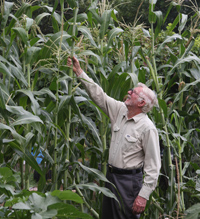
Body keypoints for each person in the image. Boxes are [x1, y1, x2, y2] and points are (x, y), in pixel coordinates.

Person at [67, 56, 161, 219]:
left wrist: (143, 195)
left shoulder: (147, 128)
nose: (129, 92)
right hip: (111, 178)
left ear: (141, 103)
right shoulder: (120, 111)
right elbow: (99, 96)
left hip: (129, 183)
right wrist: (80, 72)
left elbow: (153, 167)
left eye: (133, 92)